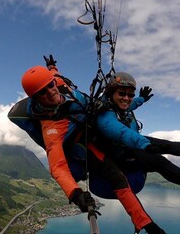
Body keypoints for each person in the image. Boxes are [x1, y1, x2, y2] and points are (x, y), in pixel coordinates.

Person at [9, 57, 166, 234]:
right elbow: (57, 166)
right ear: (35, 98)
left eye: (50, 86)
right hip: (86, 145)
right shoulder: (50, 128)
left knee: (130, 163)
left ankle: (144, 220)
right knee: (117, 177)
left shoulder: (59, 83)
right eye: (42, 92)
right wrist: (75, 194)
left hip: (96, 131)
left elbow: (54, 75)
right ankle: (146, 224)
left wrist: (52, 67)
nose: (50, 92)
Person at [95, 72, 180, 200]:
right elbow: (123, 132)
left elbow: (131, 104)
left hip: (125, 151)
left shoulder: (115, 106)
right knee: (159, 161)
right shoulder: (105, 117)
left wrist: (141, 99)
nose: (127, 98)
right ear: (111, 93)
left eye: (130, 94)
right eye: (122, 93)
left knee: (165, 144)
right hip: (116, 163)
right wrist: (145, 145)